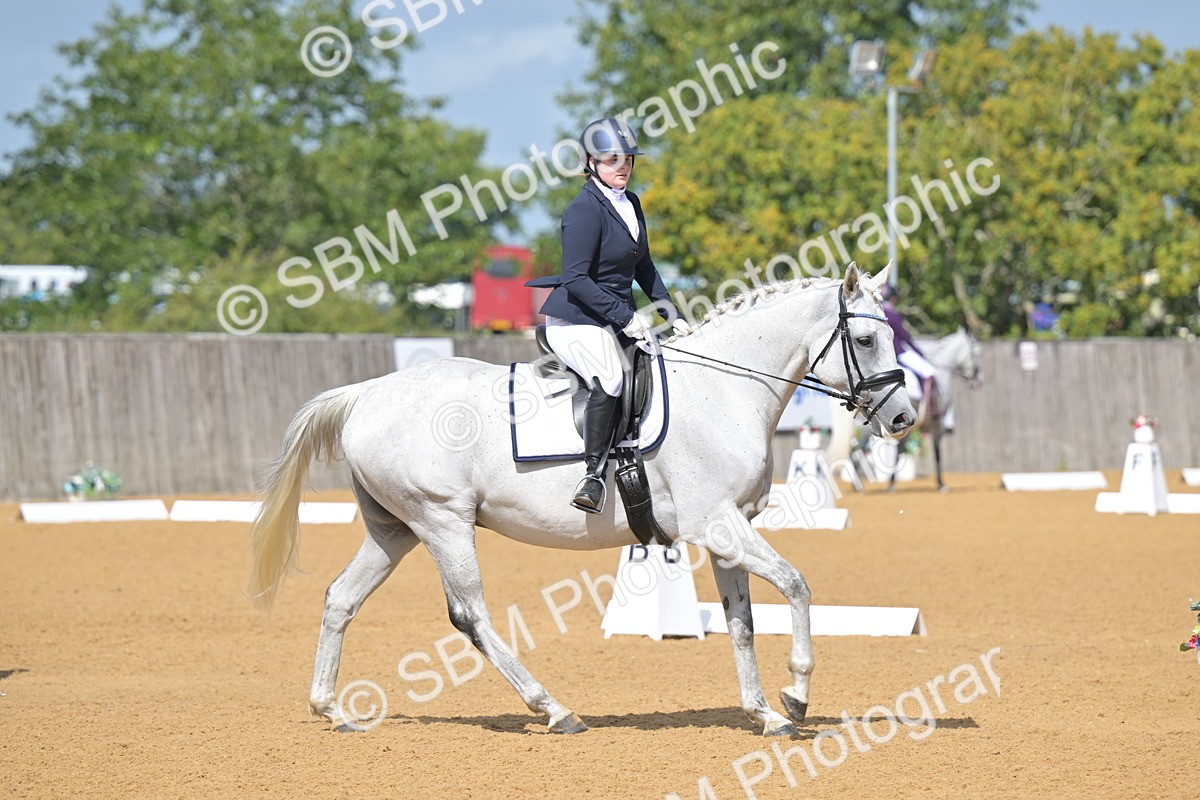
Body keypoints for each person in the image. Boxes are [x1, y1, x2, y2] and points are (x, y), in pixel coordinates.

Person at [526, 117, 690, 514]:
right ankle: (593, 474)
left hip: (614, 316)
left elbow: (645, 268)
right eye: (612, 159)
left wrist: (672, 315)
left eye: (628, 160)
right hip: (576, 318)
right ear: (591, 163)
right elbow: (576, 278)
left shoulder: (631, 203)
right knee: (612, 375)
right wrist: (626, 316)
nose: (623, 166)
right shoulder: (583, 210)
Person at [881, 283, 937, 411]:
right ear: (893, 298)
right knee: (930, 373)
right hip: (898, 353)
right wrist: (919, 352)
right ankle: (927, 407)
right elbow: (905, 337)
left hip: (883, 354)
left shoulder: (876, 312)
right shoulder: (893, 314)